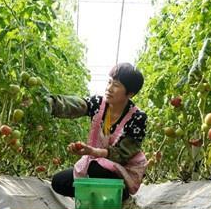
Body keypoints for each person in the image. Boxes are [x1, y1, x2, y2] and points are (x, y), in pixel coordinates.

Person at [48, 62, 148, 201]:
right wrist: (50, 104)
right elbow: (78, 105)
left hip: (123, 170)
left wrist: (93, 152)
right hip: (97, 162)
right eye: (109, 82)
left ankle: (122, 197)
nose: (109, 88)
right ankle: (98, 198)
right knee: (59, 182)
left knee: (96, 168)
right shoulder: (98, 104)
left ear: (130, 93)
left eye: (116, 85)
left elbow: (123, 155)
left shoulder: (137, 118)